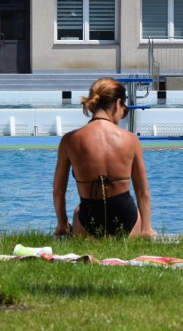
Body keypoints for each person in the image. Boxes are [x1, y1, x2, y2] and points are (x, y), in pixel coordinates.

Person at [52, 77, 155, 238]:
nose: (122, 115)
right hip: (127, 218)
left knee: (78, 210)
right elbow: (143, 193)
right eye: (124, 110)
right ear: (117, 103)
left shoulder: (70, 140)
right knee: (134, 210)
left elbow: (58, 191)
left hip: (89, 219)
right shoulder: (131, 140)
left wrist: (62, 224)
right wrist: (146, 229)